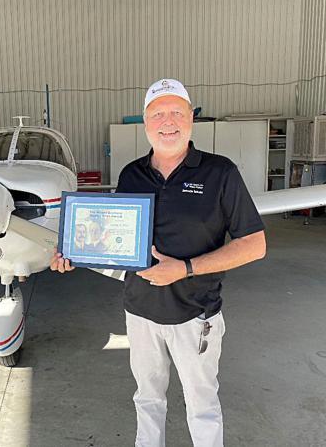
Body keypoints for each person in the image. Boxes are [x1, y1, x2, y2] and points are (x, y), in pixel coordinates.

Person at [51, 78, 266, 447]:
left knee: (202, 404)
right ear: (146, 124)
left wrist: (185, 268)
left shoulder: (220, 173)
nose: (168, 122)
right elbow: (111, 238)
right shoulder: (131, 174)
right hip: (140, 313)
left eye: (176, 113)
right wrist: (76, 254)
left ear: (191, 120)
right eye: (158, 114)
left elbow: (254, 244)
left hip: (195, 314)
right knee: (147, 399)